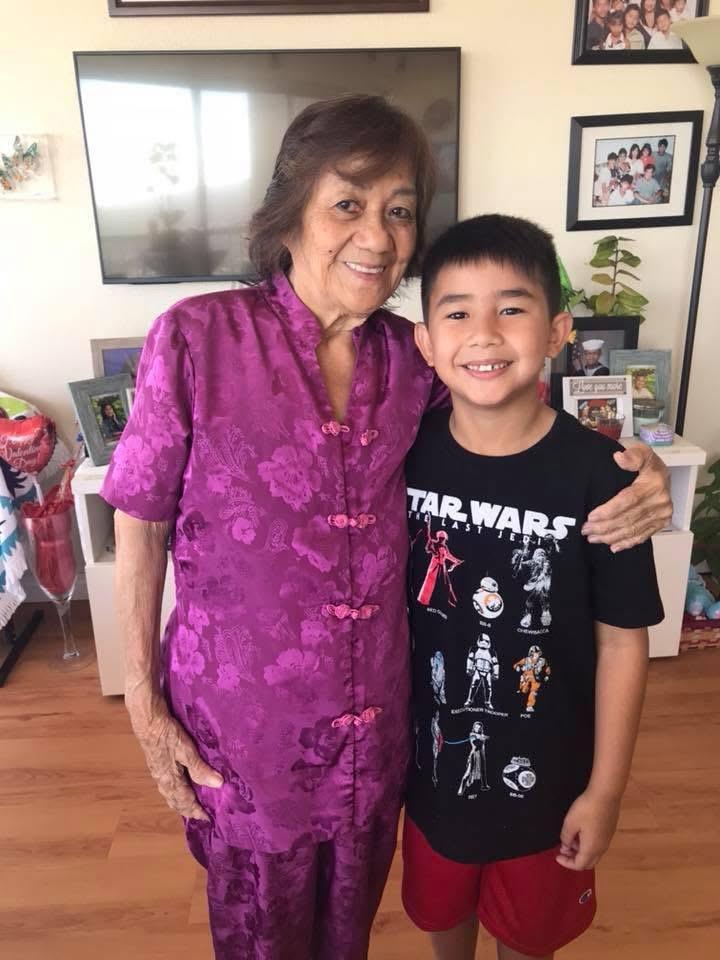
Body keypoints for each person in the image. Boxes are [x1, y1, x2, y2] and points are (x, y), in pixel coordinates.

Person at [102, 96, 672, 960]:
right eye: (349, 204)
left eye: (399, 210)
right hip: (245, 734)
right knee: (260, 936)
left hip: (378, 733)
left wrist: (639, 465)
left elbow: (514, 420)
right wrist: (143, 704)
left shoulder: (415, 355)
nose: (378, 234)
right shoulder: (196, 339)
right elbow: (137, 522)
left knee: (350, 934)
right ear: (289, 212)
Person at [402, 214, 664, 960]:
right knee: (441, 923)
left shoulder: (601, 476)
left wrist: (606, 791)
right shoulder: (402, 455)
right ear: (426, 343)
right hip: (429, 775)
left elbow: (622, 641)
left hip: (550, 788)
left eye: (511, 308)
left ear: (556, 331)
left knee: (529, 941)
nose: (484, 333)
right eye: (457, 312)